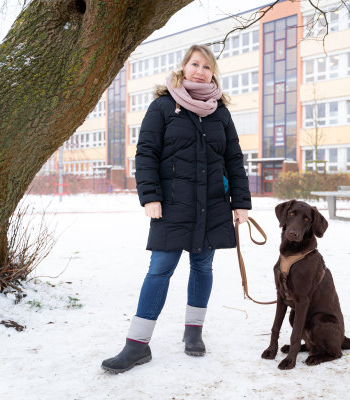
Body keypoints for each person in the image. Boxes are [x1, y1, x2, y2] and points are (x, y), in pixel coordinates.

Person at [102, 44, 252, 373]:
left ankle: (193, 333)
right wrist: (150, 196)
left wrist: (240, 202)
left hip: (212, 206)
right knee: (159, 270)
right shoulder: (163, 106)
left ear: (213, 73)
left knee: (203, 268)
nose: (200, 70)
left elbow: (234, 161)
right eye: (195, 64)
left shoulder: (220, 112)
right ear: (184, 67)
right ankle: (137, 345)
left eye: (207, 66)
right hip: (172, 206)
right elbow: (146, 155)